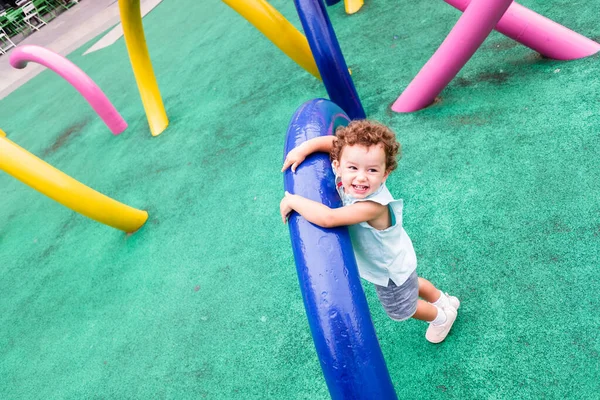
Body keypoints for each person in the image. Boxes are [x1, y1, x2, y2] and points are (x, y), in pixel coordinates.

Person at [280, 120, 459, 343]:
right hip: (398, 258)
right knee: (412, 282)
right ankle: (442, 300)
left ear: (385, 174)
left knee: (403, 309)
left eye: (372, 170)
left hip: (387, 270)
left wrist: (294, 201)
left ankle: (441, 317)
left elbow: (329, 218)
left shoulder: (371, 206)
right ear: (337, 165)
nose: (361, 177)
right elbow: (334, 143)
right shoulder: (350, 177)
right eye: (353, 167)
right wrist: (303, 148)